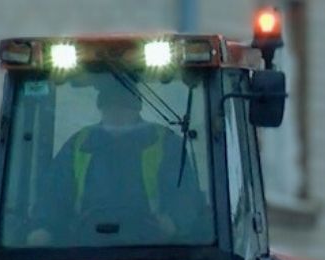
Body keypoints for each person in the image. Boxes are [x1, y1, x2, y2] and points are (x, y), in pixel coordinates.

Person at [27, 82, 202, 246]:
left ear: (136, 109)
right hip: (85, 246)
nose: (117, 113)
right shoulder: (80, 144)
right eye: (110, 107)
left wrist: (173, 221)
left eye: (124, 107)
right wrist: (44, 227)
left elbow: (185, 193)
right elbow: (54, 192)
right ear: (102, 109)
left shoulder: (164, 143)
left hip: (152, 245)